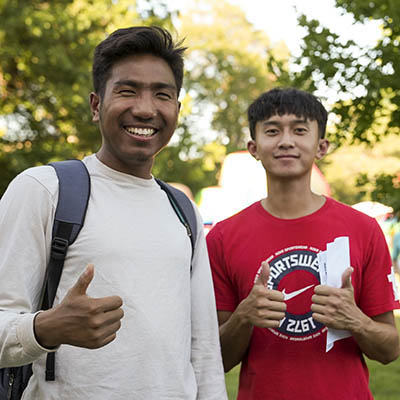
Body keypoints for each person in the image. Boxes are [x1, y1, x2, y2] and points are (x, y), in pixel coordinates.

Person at [0, 26, 227, 400]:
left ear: (177, 110)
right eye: (127, 90)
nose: (145, 108)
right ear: (95, 105)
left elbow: (202, 349)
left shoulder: (183, 210)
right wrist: (46, 328)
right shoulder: (44, 189)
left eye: (162, 95)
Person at [206, 87, 400, 400]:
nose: (286, 141)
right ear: (253, 147)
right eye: (272, 131)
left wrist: (357, 321)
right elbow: (216, 361)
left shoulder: (363, 229)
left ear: (321, 146)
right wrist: (243, 317)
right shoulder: (222, 238)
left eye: (299, 130)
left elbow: (390, 349)